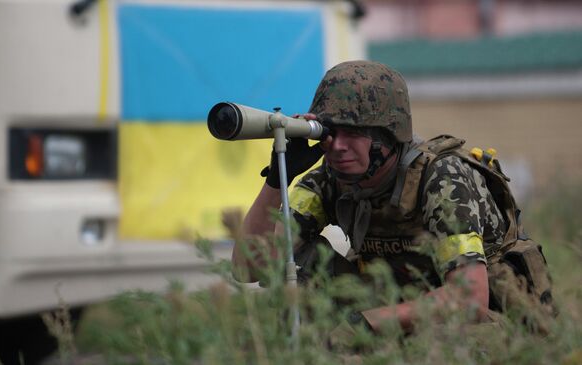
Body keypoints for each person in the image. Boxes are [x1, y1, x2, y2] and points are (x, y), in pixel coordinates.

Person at [231, 60, 554, 335]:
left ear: (389, 135)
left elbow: (470, 299)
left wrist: (366, 325)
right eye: (331, 132)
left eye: (354, 132)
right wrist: (277, 179)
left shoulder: (441, 179)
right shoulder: (330, 180)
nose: (338, 145)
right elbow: (250, 269)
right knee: (305, 261)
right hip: (398, 309)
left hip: (488, 323)